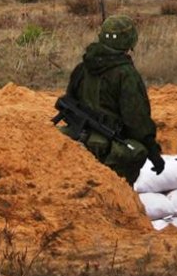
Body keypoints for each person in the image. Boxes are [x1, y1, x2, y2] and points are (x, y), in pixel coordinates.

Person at [60, 14, 164, 185]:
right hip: (107, 152)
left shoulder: (82, 68)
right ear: (129, 41)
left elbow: (70, 98)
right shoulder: (126, 75)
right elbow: (136, 120)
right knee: (136, 151)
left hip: (78, 141)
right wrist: (152, 151)